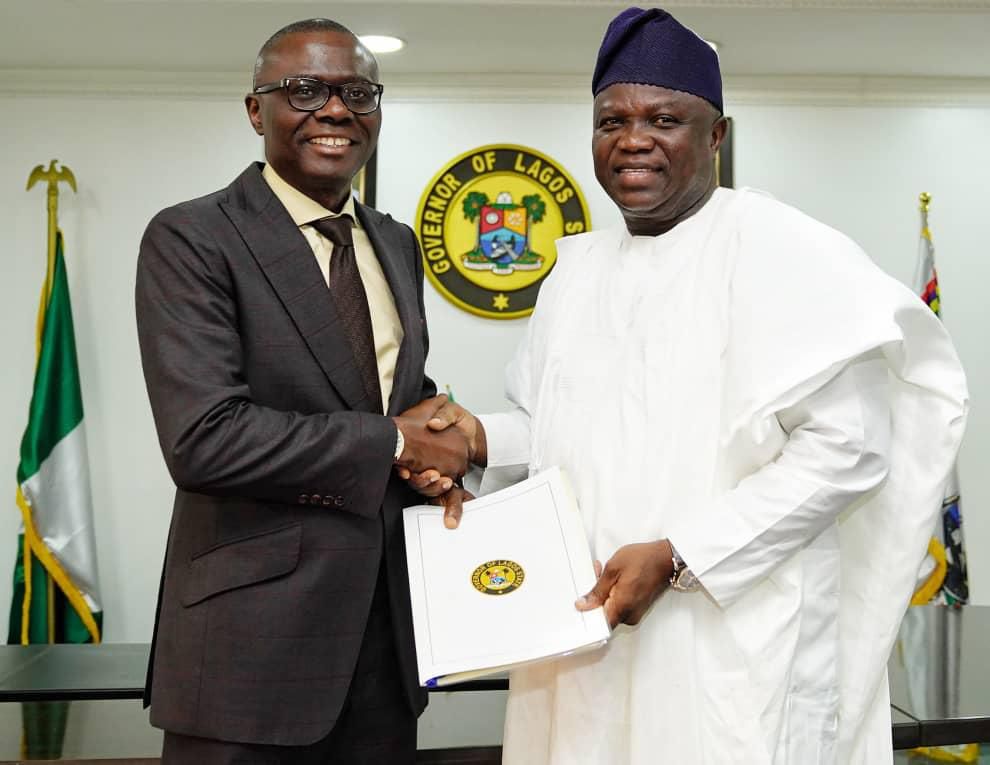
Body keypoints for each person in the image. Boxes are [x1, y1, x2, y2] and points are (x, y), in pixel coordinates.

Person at [404, 7, 969, 764]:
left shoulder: (786, 252)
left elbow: (850, 450)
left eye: (664, 118)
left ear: (716, 135)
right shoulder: (574, 270)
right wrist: (473, 438)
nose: (632, 139)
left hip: (725, 640)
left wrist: (679, 554)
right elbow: (555, 428)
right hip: (580, 636)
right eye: (611, 120)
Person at [135, 18, 467, 764]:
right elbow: (205, 438)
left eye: (357, 92)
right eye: (305, 90)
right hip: (246, 657)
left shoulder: (395, 241)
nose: (336, 110)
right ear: (257, 111)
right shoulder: (193, 238)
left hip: (386, 648)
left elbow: (391, 394)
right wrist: (394, 441)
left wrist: (439, 450)